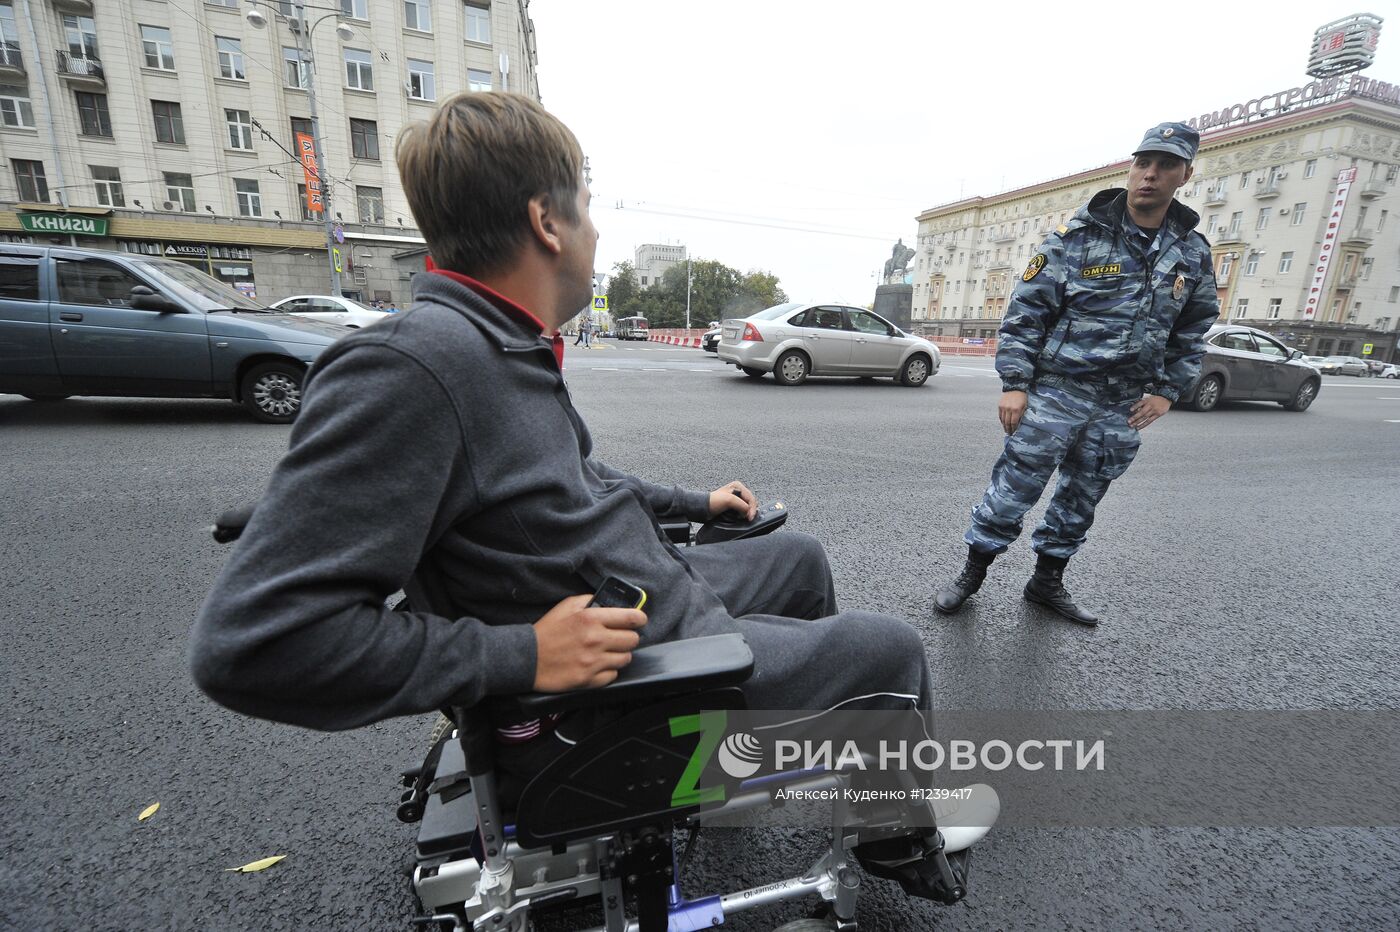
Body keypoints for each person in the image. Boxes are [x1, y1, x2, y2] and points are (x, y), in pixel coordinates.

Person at [188, 95, 981, 828]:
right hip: (624, 675)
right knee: (892, 650)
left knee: (798, 562)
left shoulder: (499, 345)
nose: (596, 231)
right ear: (547, 221)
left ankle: (757, 766)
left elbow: (573, 482)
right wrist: (522, 654)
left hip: (632, 586)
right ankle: (897, 833)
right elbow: (254, 644)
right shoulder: (420, 368)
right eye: (591, 208)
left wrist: (696, 504)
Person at [933, 122, 1219, 626]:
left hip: (1124, 403)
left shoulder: (1191, 251)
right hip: (1058, 392)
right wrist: (1016, 384)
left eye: (1165, 166)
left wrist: (1168, 392)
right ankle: (971, 575)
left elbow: (1193, 327)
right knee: (1013, 488)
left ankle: (1046, 584)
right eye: (1143, 162)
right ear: (1131, 167)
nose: (1150, 174)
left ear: (1185, 175)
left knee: (1082, 498)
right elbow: (1026, 313)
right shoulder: (1077, 236)